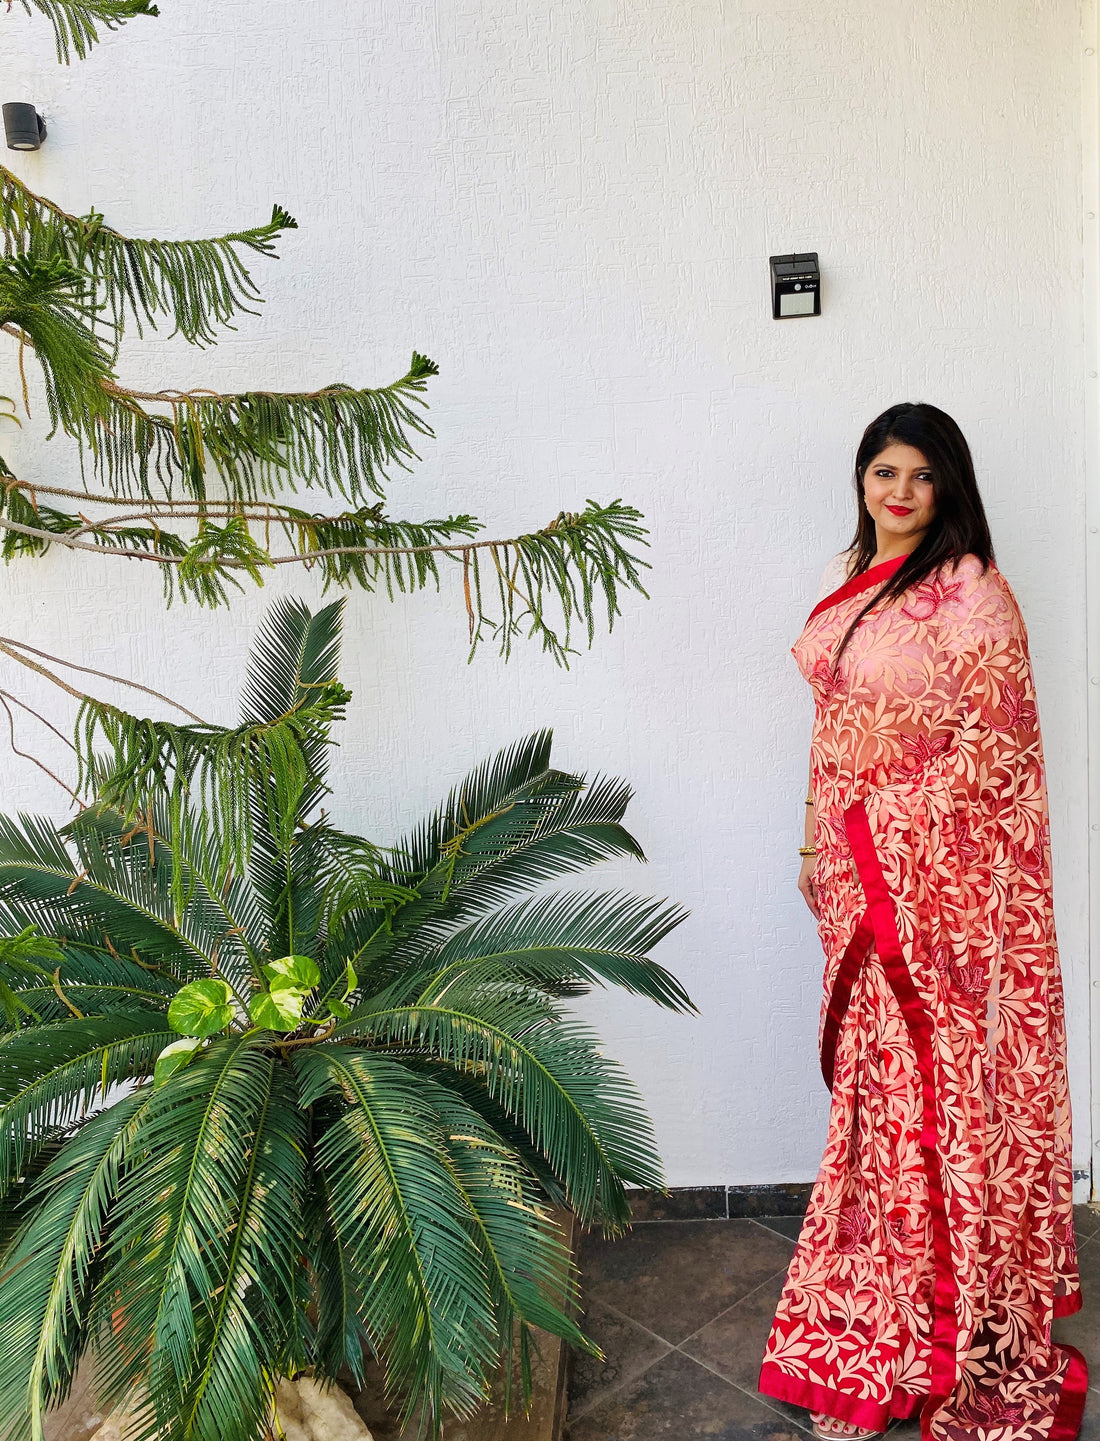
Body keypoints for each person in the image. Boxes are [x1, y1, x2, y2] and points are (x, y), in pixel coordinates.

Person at [757, 403, 1086, 1441]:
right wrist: (818, 845)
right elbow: (832, 730)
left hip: (937, 900)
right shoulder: (845, 576)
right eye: (881, 470)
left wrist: (876, 827)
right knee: (870, 1105)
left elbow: (997, 752)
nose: (897, 491)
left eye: (920, 475)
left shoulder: (971, 593)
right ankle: (875, 1324)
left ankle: (944, 1344)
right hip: (858, 883)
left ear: (948, 487)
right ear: (861, 478)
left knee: (930, 1108)